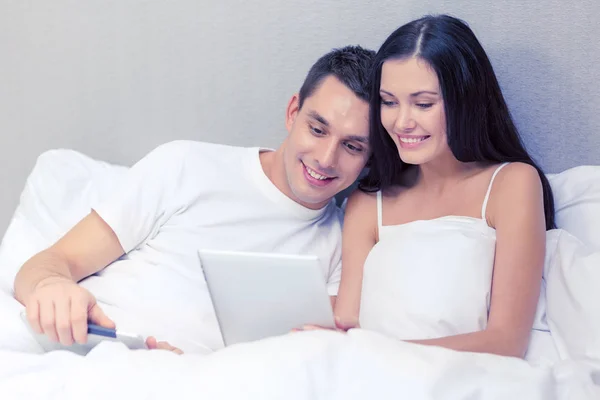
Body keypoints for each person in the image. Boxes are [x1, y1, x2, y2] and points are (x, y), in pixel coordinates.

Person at [12, 45, 375, 354]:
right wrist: (51, 289)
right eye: (317, 129)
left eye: (352, 146)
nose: (327, 158)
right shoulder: (184, 164)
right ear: (292, 112)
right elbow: (48, 264)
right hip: (92, 348)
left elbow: (314, 354)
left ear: (369, 159)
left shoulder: (345, 247)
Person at [331, 14, 555, 359]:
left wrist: (383, 355)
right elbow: (348, 320)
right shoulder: (368, 201)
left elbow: (506, 342)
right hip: (369, 375)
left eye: (423, 104)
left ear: (464, 100)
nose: (402, 122)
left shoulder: (512, 184)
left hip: (459, 376)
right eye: (389, 102)